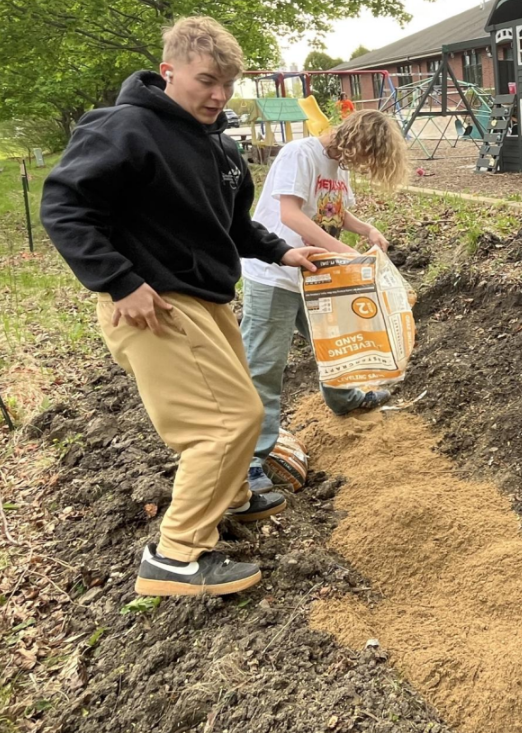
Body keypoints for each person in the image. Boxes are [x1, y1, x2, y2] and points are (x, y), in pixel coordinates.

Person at [40, 17, 324, 597]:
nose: (218, 95)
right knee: (226, 423)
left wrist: (283, 250)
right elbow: (66, 207)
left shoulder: (220, 146)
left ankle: (234, 501)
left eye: (226, 84)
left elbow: (232, 226)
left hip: (207, 298)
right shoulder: (124, 129)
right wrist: (119, 282)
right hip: (150, 302)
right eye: (205, 81)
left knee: (239, 404)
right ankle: (176, 557)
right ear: (169, 71)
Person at [240, 110, 408, 493]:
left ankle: (344, 398)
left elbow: (334, 211)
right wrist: (343, 254)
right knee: (265, 363)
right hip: (275, 271)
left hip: (313, 274)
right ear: (355, 139)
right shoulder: (301, 154)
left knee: (332, 343)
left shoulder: (339, 165)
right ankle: (249, 460)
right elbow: (291, 214)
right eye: (366, 156)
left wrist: (365, 229)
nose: (364, 165)